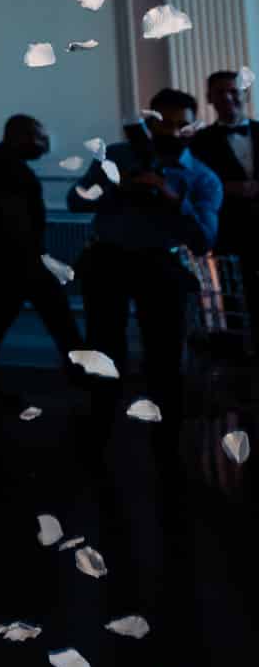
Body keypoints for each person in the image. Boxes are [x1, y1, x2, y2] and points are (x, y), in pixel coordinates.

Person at [68, 89, 223, 464]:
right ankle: (99, 428)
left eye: (179, 124)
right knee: (104, 347)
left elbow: (203, 240)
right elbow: (76, 200)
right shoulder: (117, 156)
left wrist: (171, 197)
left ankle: (166, 438)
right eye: (161, 122)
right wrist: (113, 189)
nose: (170, 130)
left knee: (165, 353)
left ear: (192, 127)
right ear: (147, 121)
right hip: (109, 260)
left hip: (161, 266)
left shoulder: (202, 177)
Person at [0, 114, 82, 404]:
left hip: (16, 261)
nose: (43, 144)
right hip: (12, 262)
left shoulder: (2, 165)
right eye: (37, 137)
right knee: (51, 321)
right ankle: (84, 378)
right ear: (19, 136)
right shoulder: (0, 167)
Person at [191, 69, 257, 312]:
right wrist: (225, 188)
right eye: (220, 92)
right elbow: (194, 185)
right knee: (234, 301)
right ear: (209, 98)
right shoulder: (199, 141)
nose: (228, 97)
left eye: (234, 91)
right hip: (227, 232)